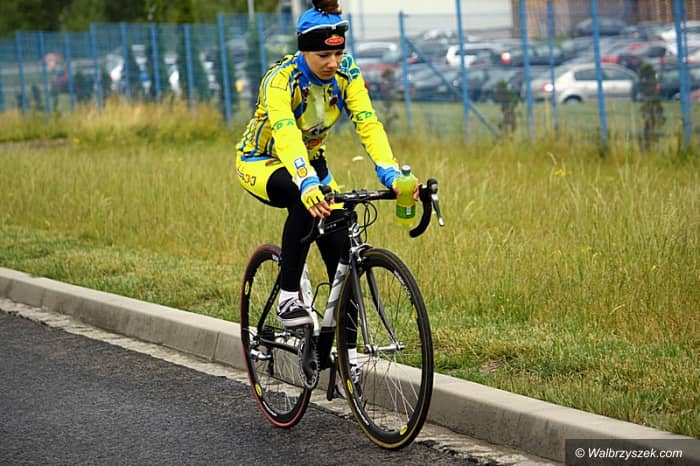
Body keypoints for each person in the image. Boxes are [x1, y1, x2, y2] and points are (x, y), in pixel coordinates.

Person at [235, 0, 418, 329]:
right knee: (303, 201)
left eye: (338, 53)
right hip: (262, 161)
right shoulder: (281, 80)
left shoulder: (347, 73)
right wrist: (306, 181)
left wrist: (390, 172)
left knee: (342, 255)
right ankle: (288, 297)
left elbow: (367, 123)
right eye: (323, 55)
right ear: (304, 51)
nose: (333, 62)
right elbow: (286, 134)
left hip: (313, 163)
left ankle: (348, 354)